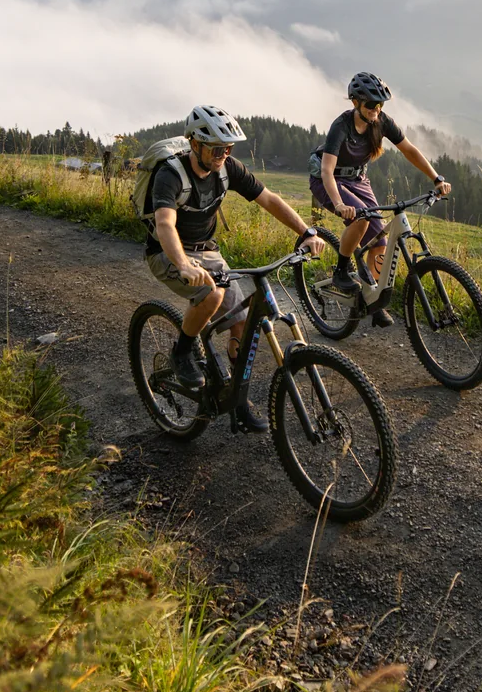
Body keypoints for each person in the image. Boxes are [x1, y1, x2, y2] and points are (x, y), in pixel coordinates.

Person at [148, 104, 322, 430]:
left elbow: (268, 199)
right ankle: (182, 351)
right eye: (216, 148)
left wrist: (306, 231)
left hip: (208, 252)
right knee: (210, 294)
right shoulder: (170, 175)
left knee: (242, 321)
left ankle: (236, 399)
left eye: (228, 148)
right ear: (195, 144)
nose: (223, 155)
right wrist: (184, 264)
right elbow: (165, 225)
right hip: (167, 253)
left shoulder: (228, 168)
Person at [311, 72, 450, 327]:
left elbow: (409, 149)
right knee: (361, 219)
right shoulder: (341, 127)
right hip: (328, 180)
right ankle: (341, 270)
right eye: (371, 104)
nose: (377, 109)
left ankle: (373, 300)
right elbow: (326, 171)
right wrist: (340, 205)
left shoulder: (381, 121)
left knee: (380, 240)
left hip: (358, 179)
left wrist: (436, 178)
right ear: (355, 102)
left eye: (380, 104)